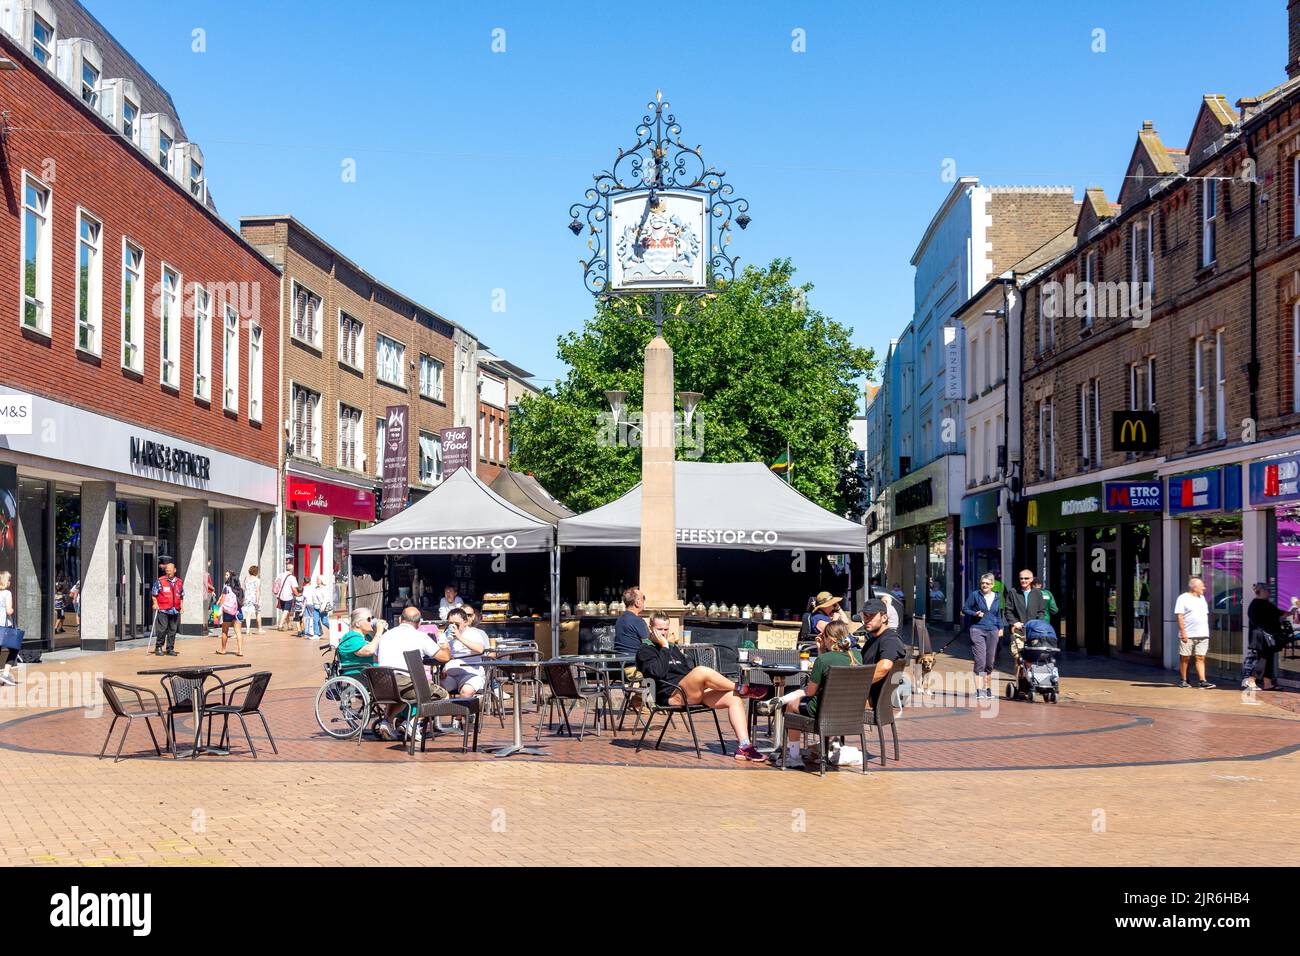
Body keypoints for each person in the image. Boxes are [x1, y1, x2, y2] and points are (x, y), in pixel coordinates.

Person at [634, 612, 767, 762]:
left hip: (689, 693)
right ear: (651, 628)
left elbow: (685, 673)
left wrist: (704, 686)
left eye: (666, 629)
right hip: (671, 696)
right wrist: (664, 647)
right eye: (659, 629)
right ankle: (742, 688)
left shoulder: (674, 648)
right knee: (701, 671)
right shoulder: (645, 650)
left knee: (733, 698)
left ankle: (744, 747)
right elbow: (657, 672)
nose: (663, 633)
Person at [759, 619, 863, 766]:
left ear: (831, 639)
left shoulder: (823, 660)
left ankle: (794, 757)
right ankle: (782, 700)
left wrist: (821, 653)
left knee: (792, 707)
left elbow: (811, 691)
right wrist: (822, 650)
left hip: (823, 711)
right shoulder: (858, 657)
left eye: (824, 636)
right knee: (799, 696)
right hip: (850, 713)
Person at [376, 606, 450, 739]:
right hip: (405, 683)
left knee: (404, 695)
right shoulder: (420, 636)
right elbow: (444, 657)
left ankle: (386, 722)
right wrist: (444, 642)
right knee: (442, 695)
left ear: (400, 620)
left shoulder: (385, 635)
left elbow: (377, 657)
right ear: (419, 623)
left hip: (382, 684)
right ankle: (411, 724)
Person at [961, 572, 1003, 699]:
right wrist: (975, 614)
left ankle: (988, 689)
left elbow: (998, 614)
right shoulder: (975, 595)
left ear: (992, 585)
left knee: (990, 661)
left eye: (987, 583)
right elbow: (965, 609)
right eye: (982, 583)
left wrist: (1000, 627)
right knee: (980, 660)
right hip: (977, 629)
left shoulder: (997, 596)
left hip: (993, 630)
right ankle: (979, 691)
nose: (984, 585)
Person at [1175, 576, 1215, 689]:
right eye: (1202, 585)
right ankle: (1183, 680)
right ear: (1194, 587)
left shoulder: (1202, 599)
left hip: (1202, 633)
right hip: (1188, 633)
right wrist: (1183, 632)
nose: (1204, 588)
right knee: (1185, 657)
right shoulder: (1182, 598)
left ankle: (1202, 681)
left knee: (1201, 657)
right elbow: (1179, 615)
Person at [440, 606, 488, 699]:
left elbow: (480, 649)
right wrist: (442, 668)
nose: (453, 626)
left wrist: (459, 637)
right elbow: (440, 654)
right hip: (450, 673)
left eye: (456, 624)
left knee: (466, 691)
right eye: (450, 623)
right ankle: (452, 710)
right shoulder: (445, 635)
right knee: (439, 690)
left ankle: (461, 713)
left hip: (471, 673)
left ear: (465, 622)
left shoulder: (474, 633)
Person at [1245, 583, 1283, 692]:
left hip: (1261, 637)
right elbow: (1279, 614)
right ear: (1261, 591)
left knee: (1267, 659)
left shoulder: (1256, 603)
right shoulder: (1262, 604)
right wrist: (1293, 611)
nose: (1269, 593)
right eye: (1267, 591)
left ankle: (1268, 683)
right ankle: (1251, 680)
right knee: (1263, 659)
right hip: (1263, 637)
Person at [336, 607, 384, 676]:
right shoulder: (352, 638)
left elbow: (376, 656)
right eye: (369, 619)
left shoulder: (367, 637)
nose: (372, 621)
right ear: (358, 624)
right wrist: (379, 631)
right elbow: (369, 651)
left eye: (372, 618)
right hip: (356, 676)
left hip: (368, 673)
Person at [151, 562, 183, 656]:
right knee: (162, 629)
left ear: (174, 570)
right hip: (163, 609)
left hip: (174, 609)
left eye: (170, 570)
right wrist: (155, 604)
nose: (168, 572)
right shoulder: (160, 581)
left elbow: (181, 595)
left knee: (173, 630)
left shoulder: (179, 582)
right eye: (167, 570)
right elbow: (154, 594)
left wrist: (182, 606)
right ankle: (159, 647)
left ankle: (170, 648)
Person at [614, 586, 649, 657]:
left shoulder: (620, 619)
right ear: (637, 602)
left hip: (621, 661)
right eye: (643, 598)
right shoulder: (638, 621)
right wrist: (665, 643)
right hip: (634, 662)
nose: (644, 601)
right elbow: (648, 644)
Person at [217, 571, 245, 656]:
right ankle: (240, 651)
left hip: (228, 613)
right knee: (238, 632)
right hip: (238, 612)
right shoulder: (241, 590)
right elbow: (242, 602)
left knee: (225, 631)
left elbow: (222, 601)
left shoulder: (227, 588)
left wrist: (218, 606)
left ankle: (223, 649)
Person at [0, 570, 17, 687]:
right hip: (5, 625)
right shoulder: (7, 593)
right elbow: (8, 610)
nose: (10, 582)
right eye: (9, 579)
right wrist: (12, 610)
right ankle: (5, 674)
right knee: (14, 649)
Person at [273, 561, 300, 631]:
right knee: (286, 610)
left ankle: (289, 625)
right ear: (292, 570)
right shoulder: (292, 577)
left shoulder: (280, 575)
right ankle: (280, 625)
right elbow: (294, 588)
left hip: (280, 595)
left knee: (285, 611)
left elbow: (276, 583)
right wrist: (298, 595)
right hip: (288, 596)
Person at [242, 565, 262, 635]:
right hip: (254, 598)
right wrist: (257, 600)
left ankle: (247, 629)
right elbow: (257, 591)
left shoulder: (246, 578)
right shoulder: (257, 580)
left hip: (247, 597)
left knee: (248, 614)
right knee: (258, 612)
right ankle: (259, 629)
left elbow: (243, 588)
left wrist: (243, 598)